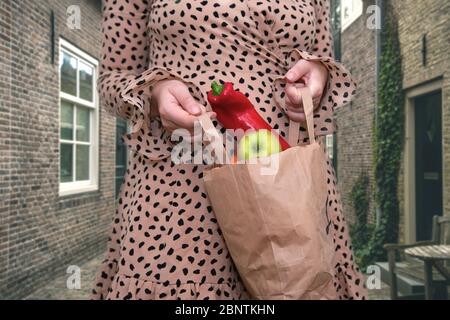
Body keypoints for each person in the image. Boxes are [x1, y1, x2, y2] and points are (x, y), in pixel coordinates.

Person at [92, 0, 367, 300]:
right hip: (180, 189)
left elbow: (320, 60)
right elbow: (112, 79)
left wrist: (316, 77)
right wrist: (156, 92)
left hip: (291, 186)